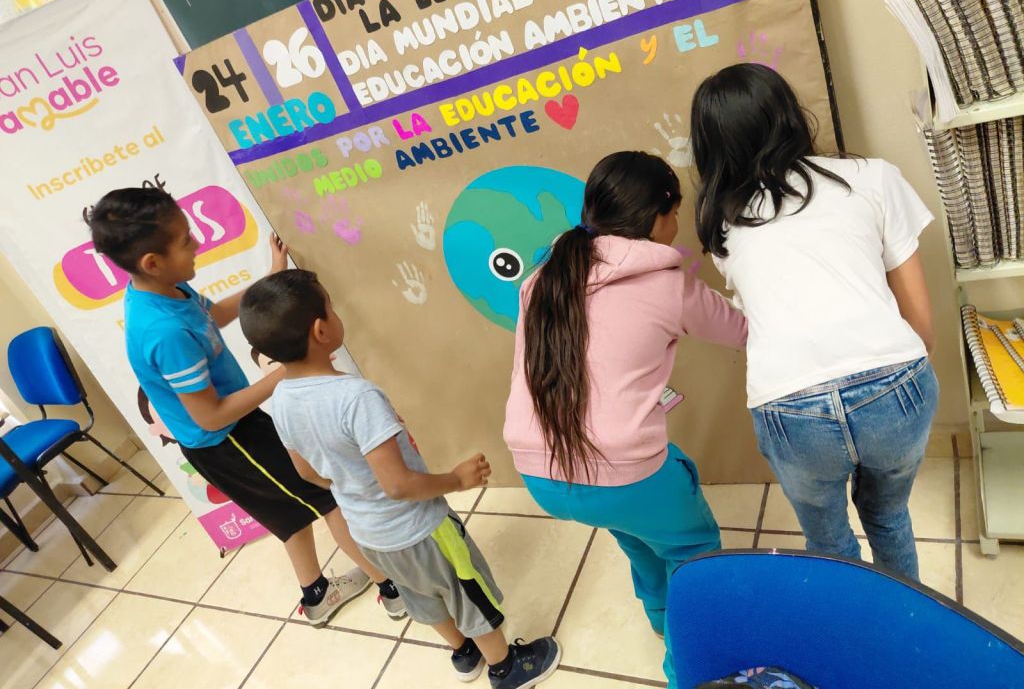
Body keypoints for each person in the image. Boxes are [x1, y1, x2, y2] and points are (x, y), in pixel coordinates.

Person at [88, 187, 405, 626]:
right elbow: (211, 415)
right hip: (224, 440)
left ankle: (316, 596)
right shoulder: (162, 331)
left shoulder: (167, 290)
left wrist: (270, 278)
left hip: (235, 427)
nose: (197, 241)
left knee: (290, 514)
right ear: (151, 262)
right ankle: (394, 589)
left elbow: (214, 314)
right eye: (185, 240)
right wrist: (291, 369)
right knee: (326, 499)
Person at [238, 269, 561, 689]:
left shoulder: (279, 399)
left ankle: (463, 653)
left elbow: (305, 472)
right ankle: (504, 667)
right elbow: (398, 485)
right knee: (465, 591)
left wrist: (353, 489)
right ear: (321, 330)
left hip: (368, 534)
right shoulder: (356, 397)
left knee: (420, 595)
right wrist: (457, 479)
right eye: (331, 308)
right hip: (421, 529)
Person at [502, 151, 748, 688]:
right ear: (659, 214)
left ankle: (659, 619)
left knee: (636, 528)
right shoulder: (666, 283)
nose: (677, 225)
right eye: (676, 211)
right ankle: (689, 670)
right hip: (619, 474)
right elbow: (742, 330)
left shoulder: (543, 276)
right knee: (693, 553)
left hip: (540, 474)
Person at [689, 63, 938, 580]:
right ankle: (907, 630)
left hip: (789, 405)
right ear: (787, 115)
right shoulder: (873, 177)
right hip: (894, 381)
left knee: (827, 541)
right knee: (889, 515)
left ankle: (848, 643)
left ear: (711, 147)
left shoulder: (725, 229)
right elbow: (919, 319)